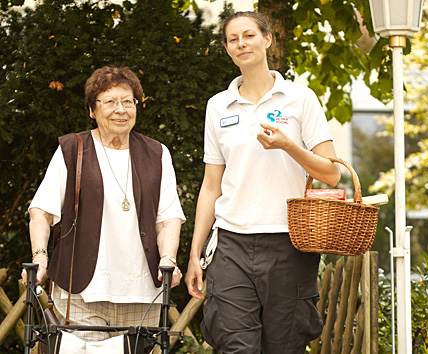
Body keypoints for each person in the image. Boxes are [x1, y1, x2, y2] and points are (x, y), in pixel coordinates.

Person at [184, 11, 341, 354]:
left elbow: (331, 172)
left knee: (284, 347)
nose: (241, 43)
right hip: (230, 246)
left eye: (249, 35)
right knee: (235, 347)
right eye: (233, 39)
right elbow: (211, 185)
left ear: (267, 39)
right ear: (226, 48)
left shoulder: (301, 99)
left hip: (289, 243)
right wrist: (195, 254)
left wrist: (288, 145)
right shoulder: (218, 107)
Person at [21, 65, 186, 342]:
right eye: (109, 102)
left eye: (128, 101)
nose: (120, 109)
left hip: (141, 291)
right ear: (92, 110)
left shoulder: (157, 153)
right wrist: (40, 255)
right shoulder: (73, 149)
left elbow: (168, 217)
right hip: (83, 289)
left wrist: (168, 259)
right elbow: (42, 211)